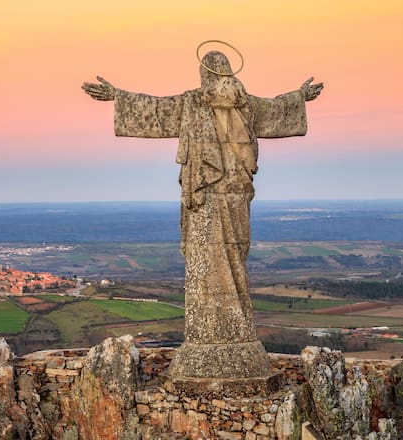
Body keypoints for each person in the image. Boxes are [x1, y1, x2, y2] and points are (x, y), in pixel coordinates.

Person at [82, 51, 323, 379]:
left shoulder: (195, 103)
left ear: (206, 74)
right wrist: (300, 96)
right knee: (234, 259)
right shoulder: (246, 104)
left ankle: (210, 334)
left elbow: (156, 110)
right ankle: (235, 332)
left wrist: (117, 96)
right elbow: (279, 110)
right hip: (236, 197)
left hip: (206, 198)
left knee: (206, 262)